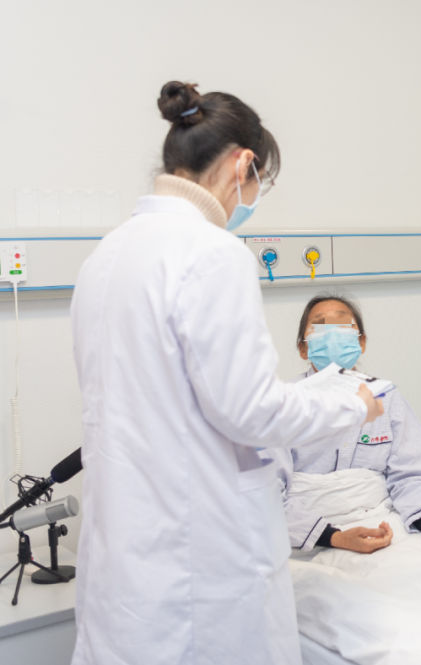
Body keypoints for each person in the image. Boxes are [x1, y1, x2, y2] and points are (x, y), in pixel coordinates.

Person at [69, 82, 383, 665]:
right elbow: (251, 411)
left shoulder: (107, 253)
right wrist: (352, 402)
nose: (255, 195)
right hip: (198, 554)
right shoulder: (212, 252)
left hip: (128, 548)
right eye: (262, 181)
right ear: (243, 165)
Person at [262, 293, 421, 557]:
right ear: (303, 348)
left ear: (361, 341)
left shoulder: (386, 397)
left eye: (343, 325)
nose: (332, 334)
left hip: (380, 519)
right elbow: (265, 491)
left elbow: (414, 473)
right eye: (320, 326)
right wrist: (334, 537)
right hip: (305, 533)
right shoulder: (281, 404)